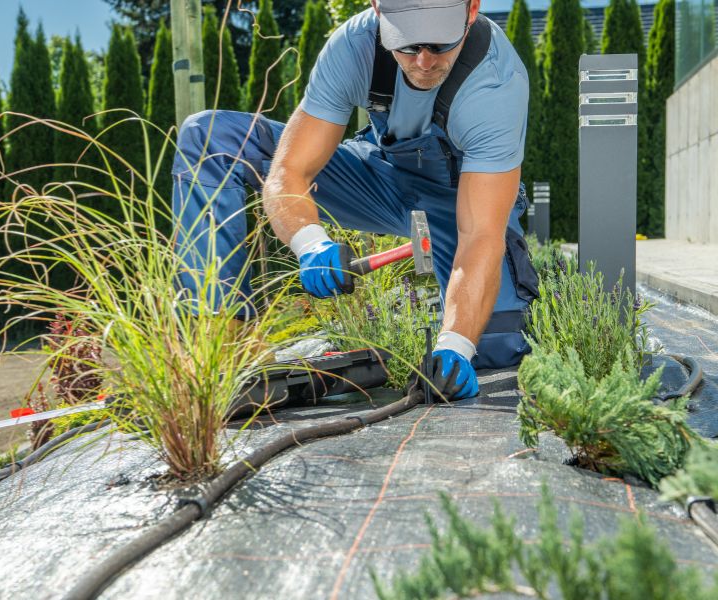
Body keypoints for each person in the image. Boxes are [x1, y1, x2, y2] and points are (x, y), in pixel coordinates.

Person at [172, 0, 539, 401]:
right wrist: (310, 243)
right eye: (407, 45)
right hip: (377, 179)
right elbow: (290, 170)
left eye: (440, 43)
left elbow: (481, 234)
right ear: (379, 12)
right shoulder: (355, 45)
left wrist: (457, 344)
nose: (424, 61)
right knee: (211, 139)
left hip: (458, 201)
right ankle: (221, 341)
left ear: (471, 10)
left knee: (493, 344)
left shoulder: (495, 83)